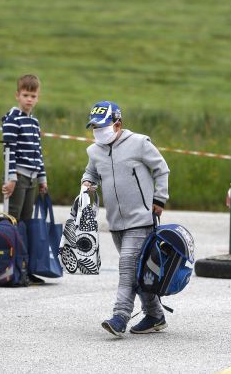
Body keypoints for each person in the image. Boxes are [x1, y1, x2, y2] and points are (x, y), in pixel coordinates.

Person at [81, 100, 170, 337]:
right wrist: (87, 183)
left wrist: (159, 199)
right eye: (94, 128)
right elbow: (91, 172)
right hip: (115, 223)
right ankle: (155, 315)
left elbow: (162, 169)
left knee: (127, 266)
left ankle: (120, 316)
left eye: (102, 126)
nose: (97, 132)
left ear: (117, 124)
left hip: (141, 219)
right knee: (137, 272)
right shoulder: (95, 151)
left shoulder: (139, 143)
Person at [1, 74, 48, 284]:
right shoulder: (12, 119)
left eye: (33, 96)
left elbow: (38, 152)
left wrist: (42, 178)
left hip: (31, 178)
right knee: (12, 219)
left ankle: (24, 269)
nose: (29, 99)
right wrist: (11, 177)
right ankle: (6, 265)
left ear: (38, 98)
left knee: (27, 224)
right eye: (25, 95)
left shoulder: (34, 122)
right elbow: (8, 151)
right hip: (17, 177)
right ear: (17, 95)